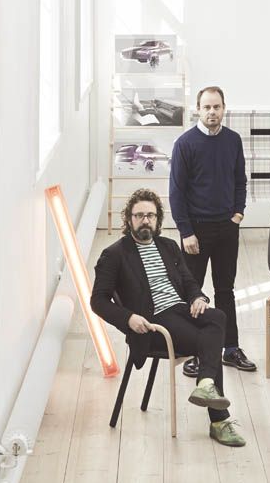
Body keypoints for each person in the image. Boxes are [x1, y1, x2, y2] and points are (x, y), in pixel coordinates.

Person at [90, 189, 246, 447]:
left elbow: (188, 281)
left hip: (180, 309)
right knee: (205, 340)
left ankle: (205, 382)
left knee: (217, 316)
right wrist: (128, 318)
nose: (145, 220)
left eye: (150, 215)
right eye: (139, 215)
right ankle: (219, 421)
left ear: (158, 219)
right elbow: (98, 300)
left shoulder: (169, 246)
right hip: (153, 323)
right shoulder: (114, 254)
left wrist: (198, 298)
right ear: (129, 219)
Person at [169, 86, 256, 376]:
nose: (212, 112)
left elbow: (239, 180)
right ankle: (195, 352)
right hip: (195, 231)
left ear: (223, 108)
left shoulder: (233, 140)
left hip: (226, 229)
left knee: (225, 290)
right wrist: (185, 232)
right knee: (193, 294)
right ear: (198, 109)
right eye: (206, 107)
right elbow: (176, 193)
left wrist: (238, 213)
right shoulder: (185, 144)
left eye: (216, 107)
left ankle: (230, 349)